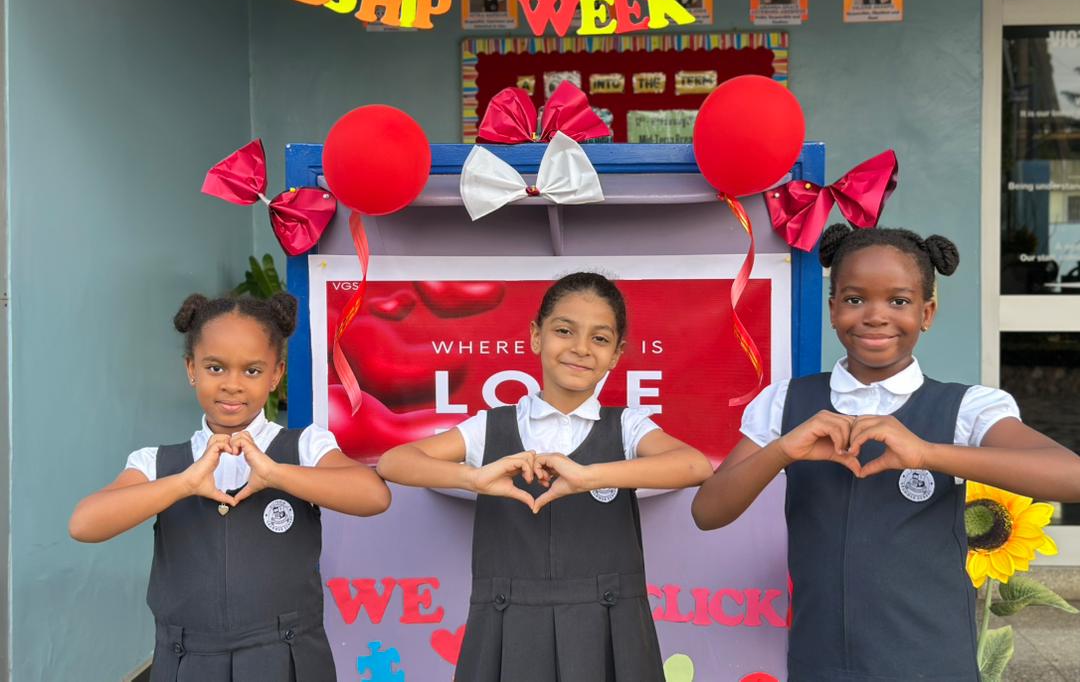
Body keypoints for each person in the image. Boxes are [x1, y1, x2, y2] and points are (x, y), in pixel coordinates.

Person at [692, 225, 1080, 682]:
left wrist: (928, 454)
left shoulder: (966, 408)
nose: (876, 316)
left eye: (898, 301)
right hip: (821, 664)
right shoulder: (787, 403)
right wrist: (781, 450)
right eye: (855, 299)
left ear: (926, 312)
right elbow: (707, 512)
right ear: (832, 309)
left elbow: (1070, 476)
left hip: (931, 665)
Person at [378, 272, 712, 682]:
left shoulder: (627, 426)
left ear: (616, 354)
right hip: (509, 627)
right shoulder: (492, 426)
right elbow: (395, 462)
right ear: (537, 336)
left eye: (599, 338)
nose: (580, 348)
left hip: (609, 628)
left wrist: (589, 477)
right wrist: (474, 478)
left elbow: (694, 465)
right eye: (564, 331)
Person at [70, 293, 391, 681]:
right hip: (188, 663)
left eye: (252, 371)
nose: (232, 385)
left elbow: (373, 495)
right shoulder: (156, 462)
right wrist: (185, 483)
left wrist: (275, 475)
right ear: (191, 369)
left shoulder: (305, 447)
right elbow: (84, 524)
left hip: (287, 661)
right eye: (215, 368)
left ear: (276, 374)